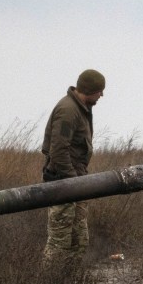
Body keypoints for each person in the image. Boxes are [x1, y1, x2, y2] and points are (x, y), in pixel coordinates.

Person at [41, 69, 105, 261]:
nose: (102, 95)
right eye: (100, 90)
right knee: (59, 245)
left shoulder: (80, 108)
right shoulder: (68, 110)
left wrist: (78, 184)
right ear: (90, 89)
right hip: (64, 185)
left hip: (75, 184)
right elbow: (58, 150)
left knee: (78, 241)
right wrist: (73, 182)